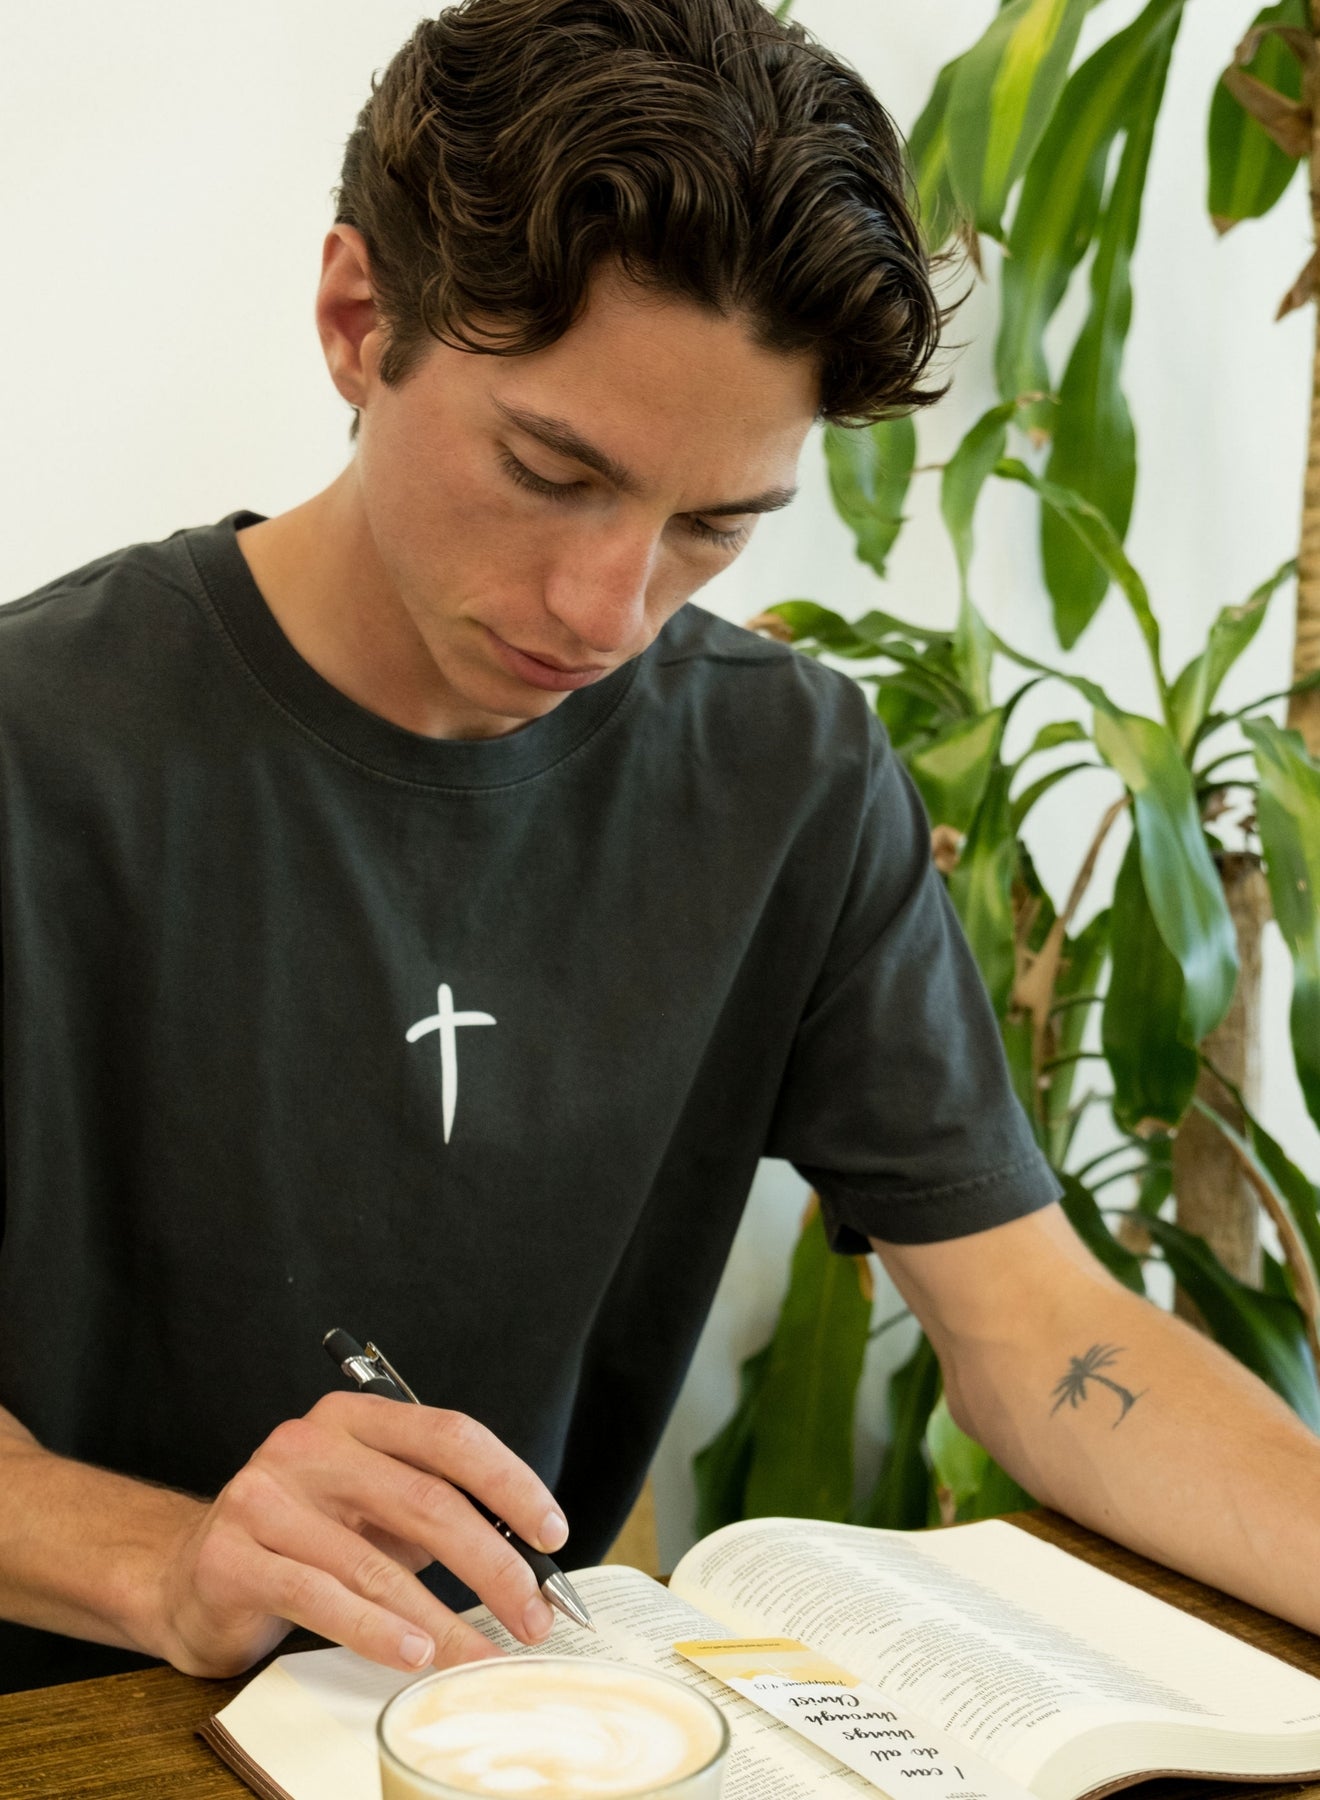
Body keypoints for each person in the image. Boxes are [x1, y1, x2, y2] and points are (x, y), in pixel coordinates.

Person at [0, 0, 1315, 1698]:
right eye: (551, 472)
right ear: (357, 320)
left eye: (713, 524)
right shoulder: (36, 747)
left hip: (507, 1727)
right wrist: (166, 1563)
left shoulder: (788, 774)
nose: (607, 609)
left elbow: (1040, 1334)